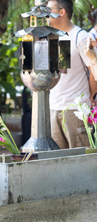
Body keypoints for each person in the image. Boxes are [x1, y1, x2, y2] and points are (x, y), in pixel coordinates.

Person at [47, 0, 95, 148]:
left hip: (76, 110)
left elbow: (94, 70)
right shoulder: (53, 37)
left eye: (49, 10)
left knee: (81, 162)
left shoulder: (80, 36)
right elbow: (62, 69)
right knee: (57, 162)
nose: (45, 14)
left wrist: (91, 96)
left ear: (61, 12)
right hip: (54, 108)